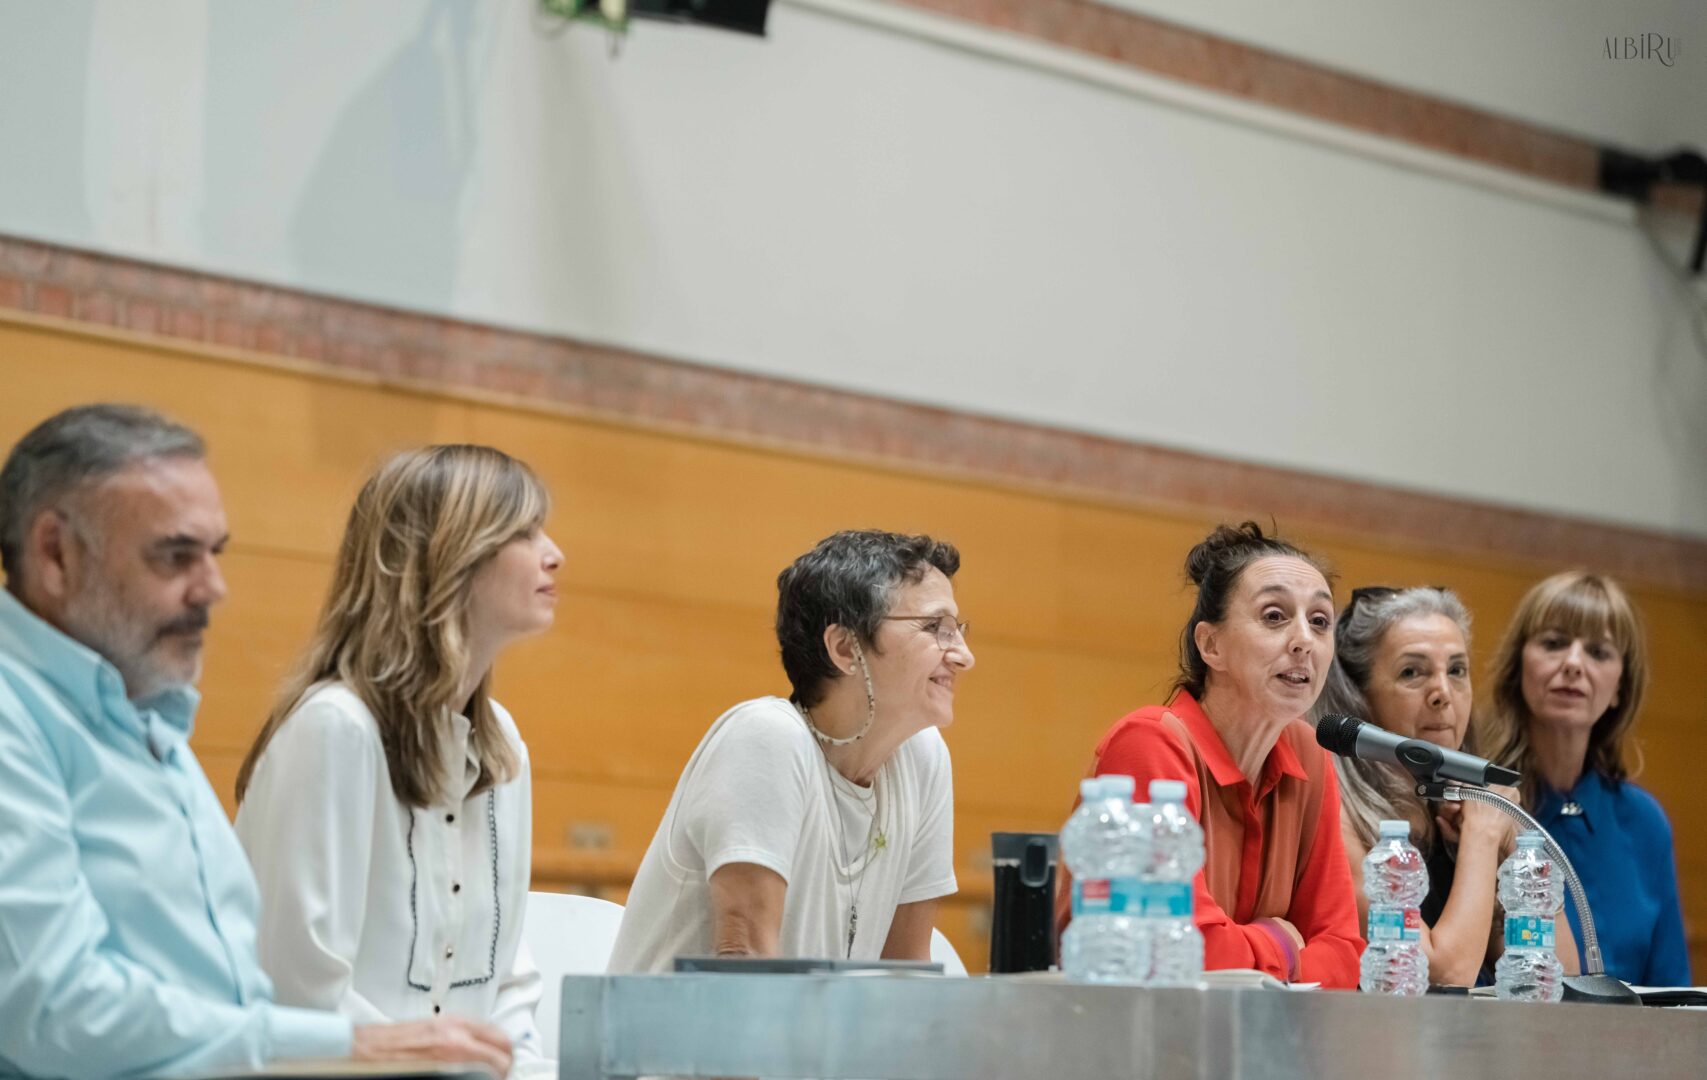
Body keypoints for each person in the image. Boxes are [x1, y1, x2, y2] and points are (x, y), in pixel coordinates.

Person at [0, 404, 511, 1079]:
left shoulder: (146, 718)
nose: (213, 587)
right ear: (55, 553)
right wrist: (346, 1047)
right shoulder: (17, 718)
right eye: (175, 556)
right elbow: (52, 1008)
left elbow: (229, 991)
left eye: (215, 554)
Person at [234, 445, 560, 1072]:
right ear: (447, 556)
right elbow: (299, 992)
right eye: (522, 532)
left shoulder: (501, 742)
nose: (554, 553)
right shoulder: (335, 729)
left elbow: (510, 988)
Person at [607, 529, 971, 971]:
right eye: (936, 628)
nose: (963, 655)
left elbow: (906, 972)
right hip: (678, 1038)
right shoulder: (766, 738)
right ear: (844, 648)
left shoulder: (922, 758)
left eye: (957, 630)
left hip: (814, 1037)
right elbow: (746, 962)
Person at [1058, 521, 1363, 987]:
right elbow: (1178, 951)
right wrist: (1282, 942)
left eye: (1319, 621)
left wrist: (1248, 951)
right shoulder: (1150, 745)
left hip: (1252, 1042)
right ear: (1211, 645)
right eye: (1275, 616)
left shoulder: (1310, 753)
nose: (1304, 640)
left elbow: (1345, 954)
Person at [1313, 585, 1576, 986]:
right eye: (1412, 672)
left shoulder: (1465, 810)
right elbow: (1441, 975)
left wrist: (1510, 848)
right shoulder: (1336, 813)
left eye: (1456, 670)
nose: (1442, 693)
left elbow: (1559, 978)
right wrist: (1484, 837)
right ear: (1358, 696)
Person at [1482, 570, 1690, 986]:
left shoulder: (1645, 822)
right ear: (1518, 666)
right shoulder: (1482, 807)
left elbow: (1675, 994)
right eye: (1555, 643)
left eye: (1597, 651)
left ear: (1618, 688)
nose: (1574, 664)